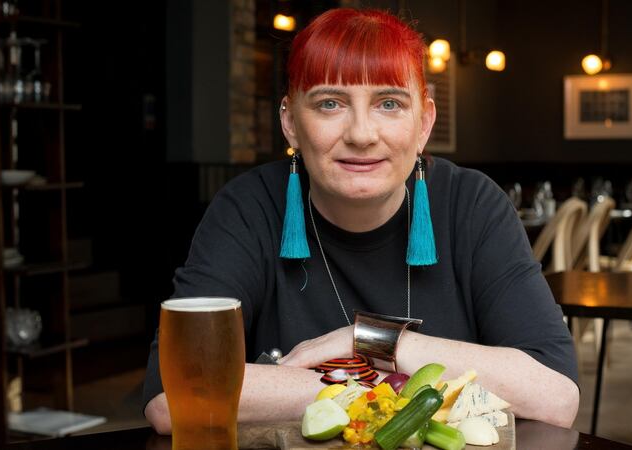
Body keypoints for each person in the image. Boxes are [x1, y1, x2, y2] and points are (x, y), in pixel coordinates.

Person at [143, 8, 578, 433]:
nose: (362, 134)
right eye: (330, 103)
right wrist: (396, 383)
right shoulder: (246, 208)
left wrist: (373, 340)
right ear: (291, 122)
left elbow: (556, 396)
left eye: (389, 103)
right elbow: (175, 395)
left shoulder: (473, 204)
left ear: (424, 122)